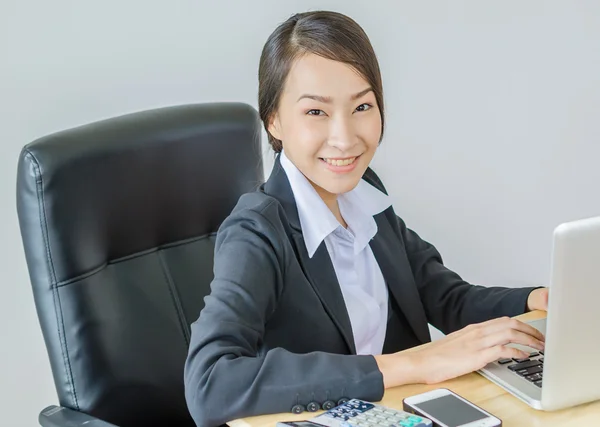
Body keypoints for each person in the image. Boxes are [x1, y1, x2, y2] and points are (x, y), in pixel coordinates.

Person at [183, 10, 549, 427]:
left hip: (404, 413)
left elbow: (446, 298)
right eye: (316, 112)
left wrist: (536, 299)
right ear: (274, 120)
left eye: (361, 106)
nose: (345, 138)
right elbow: (210, 384)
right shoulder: (256, 232)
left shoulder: (364, 194)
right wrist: (409, 364)